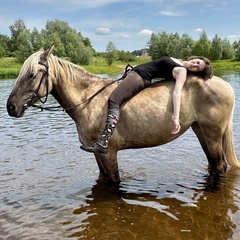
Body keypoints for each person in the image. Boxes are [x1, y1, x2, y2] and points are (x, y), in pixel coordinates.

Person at [80, 56, 213, 154]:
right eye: (197, 62)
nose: (194, 65)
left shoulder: (182, 71)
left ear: (195, 72)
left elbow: (177, 93)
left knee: (114, 100)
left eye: (197, 68)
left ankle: (103, 141)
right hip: (136, 74)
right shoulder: (178, 60)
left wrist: (176, 118)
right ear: (195, 58)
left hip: (140, 77)